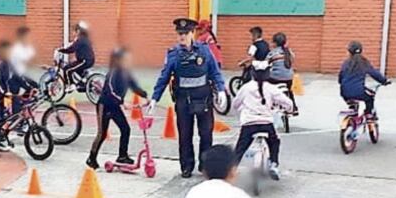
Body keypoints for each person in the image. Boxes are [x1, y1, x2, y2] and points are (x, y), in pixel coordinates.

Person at [148, 18, 226, 178]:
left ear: (192, 33)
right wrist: (155, 98)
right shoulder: (173, 54)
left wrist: (221, 90)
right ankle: (186, 166)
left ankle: (205, 165)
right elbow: (164, 77)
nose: (182, 36)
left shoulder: (204, 50)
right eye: (179, 33)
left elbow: (214, 72)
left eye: (185, 33)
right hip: (184, 99)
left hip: (203, 98)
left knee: (206, 134)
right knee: (185, 135)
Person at [87, 47, 148, 170]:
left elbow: (134, 86)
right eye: (126, 59)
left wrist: (145, 96)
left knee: (125, 129)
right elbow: (110, 90)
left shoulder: (126, 73)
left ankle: (122, 156)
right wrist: (122, 102)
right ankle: (91, 158)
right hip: (105, 105)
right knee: (102, 134)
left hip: (115, 106)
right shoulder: (113, 72)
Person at [231, 60, 294, 180]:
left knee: (240, 148)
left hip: (249, 123)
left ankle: (231, 170)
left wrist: (240, 111)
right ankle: (273, 164)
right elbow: (287, 102)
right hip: (266, 123)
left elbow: (235, 104)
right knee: (274, 142)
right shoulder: (271, 88)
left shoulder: (246, 88)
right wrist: (289, 109)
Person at [338, 41, 389, 116]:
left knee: (351, 99)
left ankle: (352, 109)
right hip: (359, 92)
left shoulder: (346, 63)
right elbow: (374, 73)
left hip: (344, 93)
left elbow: (340, 78)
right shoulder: (364, 62)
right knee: (370, 97)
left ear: (349, 51)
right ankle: (368, 113)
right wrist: (384, 81)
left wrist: (342, 83)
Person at [8, 26, 37, 114]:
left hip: (21, 74)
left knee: (35, 86)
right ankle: (15, 116)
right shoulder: (17, 48)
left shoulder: (26, 47)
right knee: (16, 97)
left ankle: (22, 103)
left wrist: (41, 66)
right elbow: (25, 61)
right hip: (14, 76)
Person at [58, 21, 95, 89]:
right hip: (87, 60)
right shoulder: (83, 38)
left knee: (67, 69)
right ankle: (82, 84)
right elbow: (74, 47)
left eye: (73, 31)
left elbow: (72, 49)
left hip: (85, 61)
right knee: (75, 68)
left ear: (78, 31)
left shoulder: (80, 39)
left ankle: (71, 85)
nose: (73, 33)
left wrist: (61, 50)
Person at [268, 32, 297, 114]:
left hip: (275, 78)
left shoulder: (272, 52)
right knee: (290, 91)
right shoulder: (289, 52)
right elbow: (292, 60)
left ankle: (270, 104)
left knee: (266, 85)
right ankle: (294, 108)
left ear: (275, 43)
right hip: (289, 78)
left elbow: (266, 62)